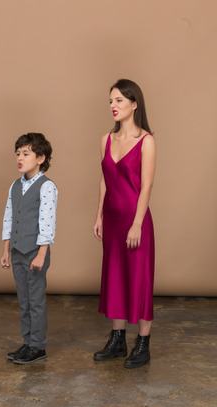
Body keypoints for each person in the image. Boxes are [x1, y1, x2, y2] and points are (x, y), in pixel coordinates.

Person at [93, 79, 156, 369]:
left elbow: (146, 187)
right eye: (110, 101)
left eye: (119, 100)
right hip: (113, 219)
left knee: (139, 279)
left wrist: (137, 224)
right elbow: (105, 180)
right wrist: (99, 216)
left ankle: (142, 344)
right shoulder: (106, 139)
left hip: (135, 219)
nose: (113, 106)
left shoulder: (146, 141)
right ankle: (118, 339)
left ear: (134, 104)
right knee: (115, 276)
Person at [0, 132, 58, 364]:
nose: (20, 158)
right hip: (16, 251)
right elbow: (9, 217)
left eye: (26, 154)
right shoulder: (15, 186)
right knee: (23, 301)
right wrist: (6, 250)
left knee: (35, 301)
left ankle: (38, 346)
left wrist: (42, 254)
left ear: (40, 158)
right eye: (18, 154)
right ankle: (27, 342)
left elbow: (47, 222)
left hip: (35, 253)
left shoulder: (46, 187)